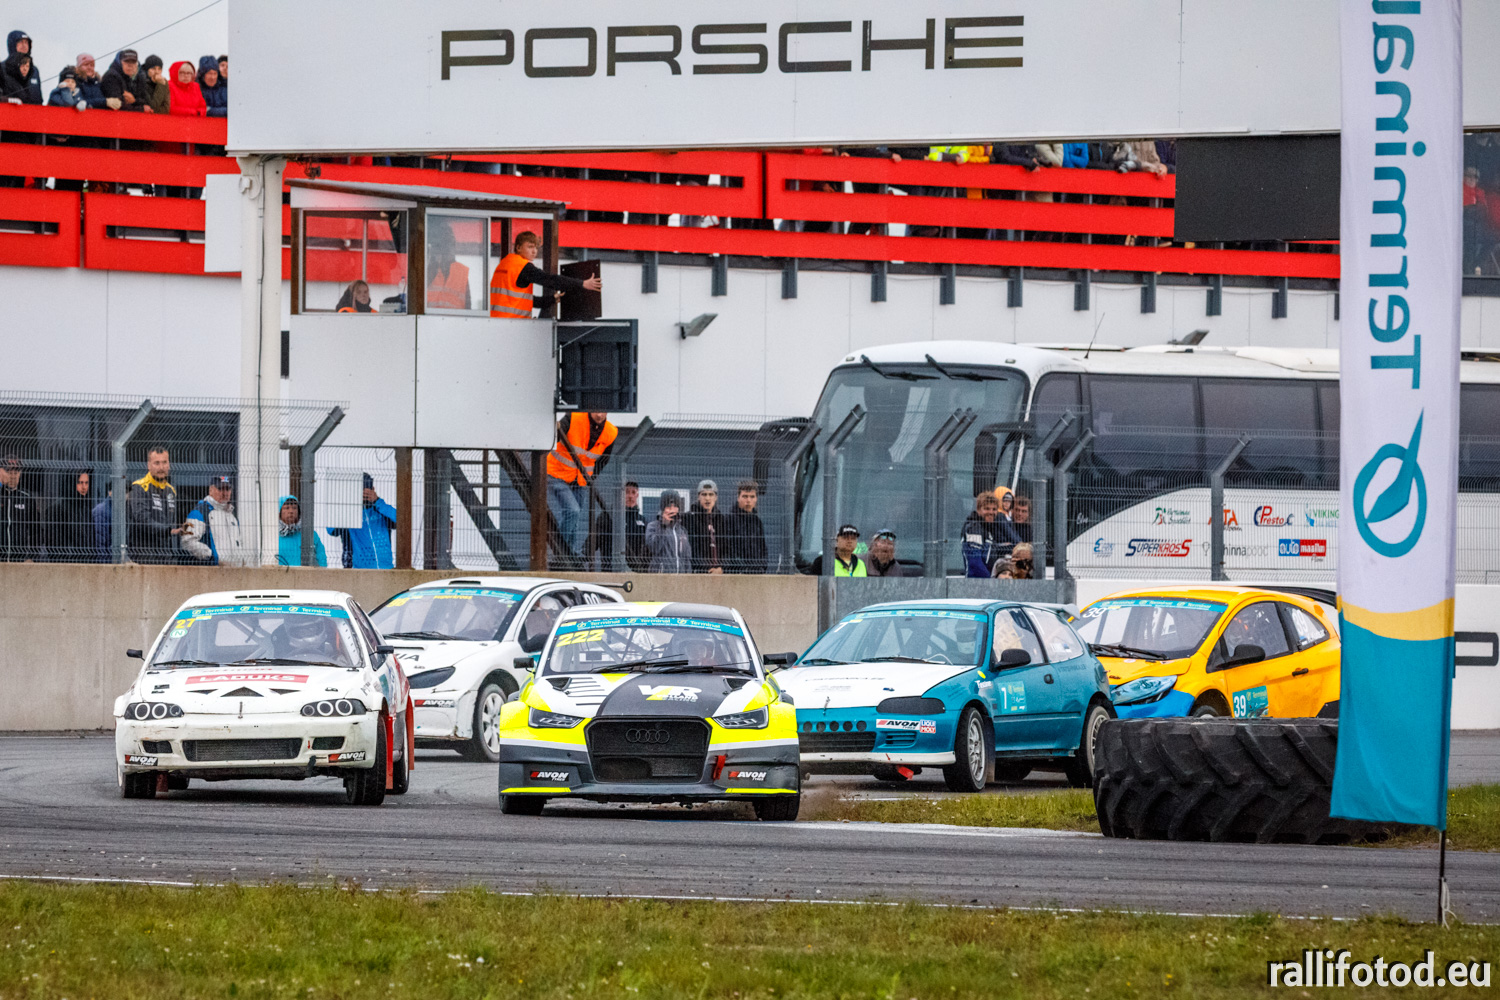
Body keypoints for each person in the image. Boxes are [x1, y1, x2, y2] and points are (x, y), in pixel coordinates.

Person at [546, 411, 616, 557]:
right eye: (596, 410)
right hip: (557, 472)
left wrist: (590, 477)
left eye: (603, 411)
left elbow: (604, 460)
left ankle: (569, 553)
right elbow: (553, 436)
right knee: (573, 511)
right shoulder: (573, 417)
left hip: (581, 479)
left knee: (575, 518)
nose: (599, 415)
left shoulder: (610, 432)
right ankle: (561, 551)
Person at [488, 230, 601, 319]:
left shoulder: (505, 263)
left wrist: (552, 299)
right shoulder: (522, 266)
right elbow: (550, 280)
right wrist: (582, 283)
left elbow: (523, 300)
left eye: (536, 247)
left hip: (496, 322)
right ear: (518, 248)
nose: (534, 251)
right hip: (512, 324)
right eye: (530, 247)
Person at [326, 473, 397, 569]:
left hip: (385, 568)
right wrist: (349, 504)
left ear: (373, 489)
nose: (364, 495)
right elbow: (331, 530)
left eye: (367, 491)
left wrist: (377, 501)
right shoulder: (349, 511)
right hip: (357, 571)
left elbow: (400, 520)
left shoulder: (381, 510)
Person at [127, 446, 180, 564]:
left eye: (164, 462)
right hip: (143, 557)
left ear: (169, 465)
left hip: (165, 557)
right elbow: (142, 519)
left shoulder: (171, 490)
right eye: (157, 463)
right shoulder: (139, 487)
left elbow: (171, 521)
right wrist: (168, 531)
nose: (161, 467)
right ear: (149, 465)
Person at [182, 475, 251, 566]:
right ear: (211, 490)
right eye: (220, 489)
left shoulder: (232, 516)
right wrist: (212, 556)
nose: (225, 493)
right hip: (212, 571)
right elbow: (187, 542)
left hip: (235, 572)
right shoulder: (198, 512)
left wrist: (242, 561)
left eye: (228, 489)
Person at [961, 490, 1018, 578]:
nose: (991, 512)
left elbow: (992, 551)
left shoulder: (986, 528)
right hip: (976, 582)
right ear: (978, 509)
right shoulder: (974, 528)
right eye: (987, 508)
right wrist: (990, 582)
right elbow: (975, 563)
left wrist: (1016, 548)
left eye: (994, 509)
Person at [47, 469, 96, 562]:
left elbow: (91, 539)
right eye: (80, 483)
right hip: (66, 563)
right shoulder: (59, 507)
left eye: (86, 483)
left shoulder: (85, 508)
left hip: (85, 563)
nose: (84, 487)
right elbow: (54, 540)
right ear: (72, 484)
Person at [683, 479, 729, 575]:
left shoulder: (721, 520)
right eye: (704, 494)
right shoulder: (689, 518)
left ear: (716, 497)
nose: (707, 498)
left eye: (711, 494)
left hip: (719, 574)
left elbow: (727, 548)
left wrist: (722, 568)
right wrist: (704, 569)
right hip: (697, 572)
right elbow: (690, 548)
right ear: (698, 497)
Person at [0, 455, 40, 562]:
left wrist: (32, 557)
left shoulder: (26, 497)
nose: (13, 476)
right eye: (9, 472)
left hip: (19, 560)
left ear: (20, 473)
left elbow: (35, 531)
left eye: (16, 473)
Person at [723, 479, 767, 574]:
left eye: (752, 497)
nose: (748, 500)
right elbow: (727, 548)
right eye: (745, 496)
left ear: (756, 499)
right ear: (738, 498)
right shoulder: (729, 520)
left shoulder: (757, 522)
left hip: (756, 573)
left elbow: (763, 549)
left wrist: (762, 567)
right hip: (735, 573)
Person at [425, 224, 471, 310]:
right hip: (429, 318)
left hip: (455, 319)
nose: (449, 248)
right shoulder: (427, 270)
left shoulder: (462, 273)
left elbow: (468, 309)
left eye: (451, 244)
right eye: (445, 244)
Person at [644, 490, 690, 573]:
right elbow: (654, 548)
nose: (672, 510)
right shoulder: (653, 526)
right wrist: (663, 526)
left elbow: (687, 558)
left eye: (675, 506)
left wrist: (687, 575)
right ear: (663, 508)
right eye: (668, 506)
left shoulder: (682, 530)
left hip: (680, 577)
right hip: (661, 577)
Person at [276, 495, 327, 567]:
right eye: (286, 508)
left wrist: (322, 571)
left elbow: (321, 556)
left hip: (304, 573)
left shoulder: (308, 534)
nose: (291, 511)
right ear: (279, 512)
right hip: (279, 573)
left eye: (294, 508)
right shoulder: (273, 534)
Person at [92, 485, 112, 562]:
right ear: (110, 492)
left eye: (126, 493)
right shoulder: (101, 511)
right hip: (107, 560)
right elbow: (99, 540)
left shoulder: (126, 510)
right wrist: (103, 563)